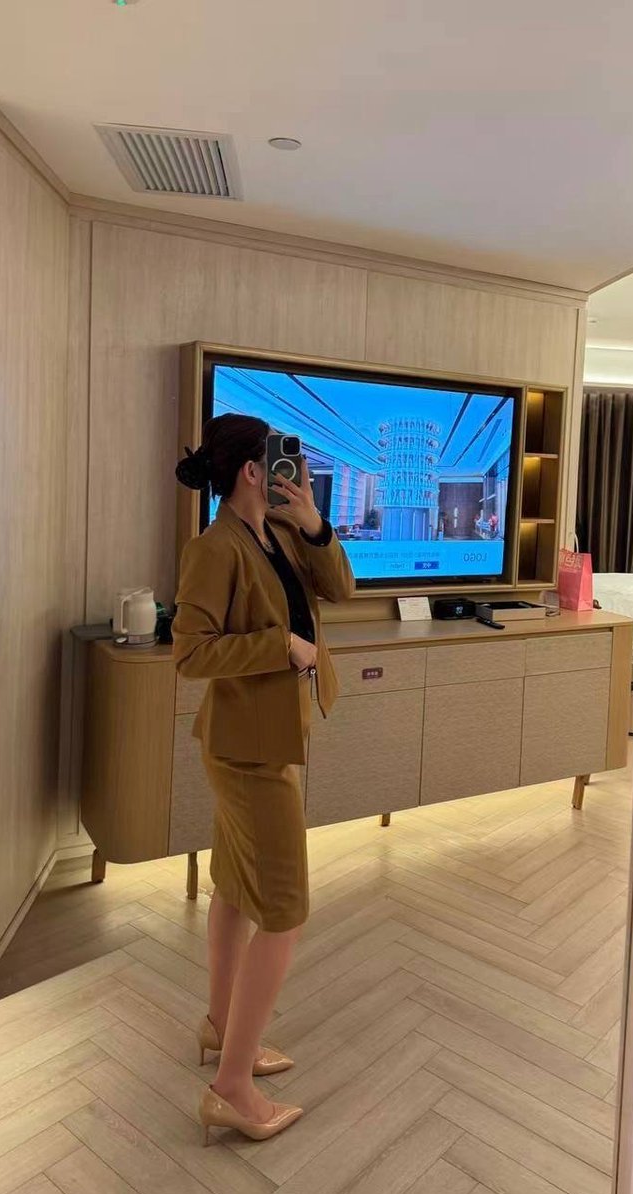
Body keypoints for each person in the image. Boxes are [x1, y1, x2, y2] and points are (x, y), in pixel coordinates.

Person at [173, 415, 354, 1145]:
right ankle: (231, 1089)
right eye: (277, 458)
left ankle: (222, 1030)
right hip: (246, 752)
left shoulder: (279, 533)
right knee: (283, 910)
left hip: (261, 740)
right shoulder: (213, 548)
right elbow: (191, 654)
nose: (291, 469)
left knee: (234, 889)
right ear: (251, 469)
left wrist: (313, 522)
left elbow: (339, 588)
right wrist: (281, 647)